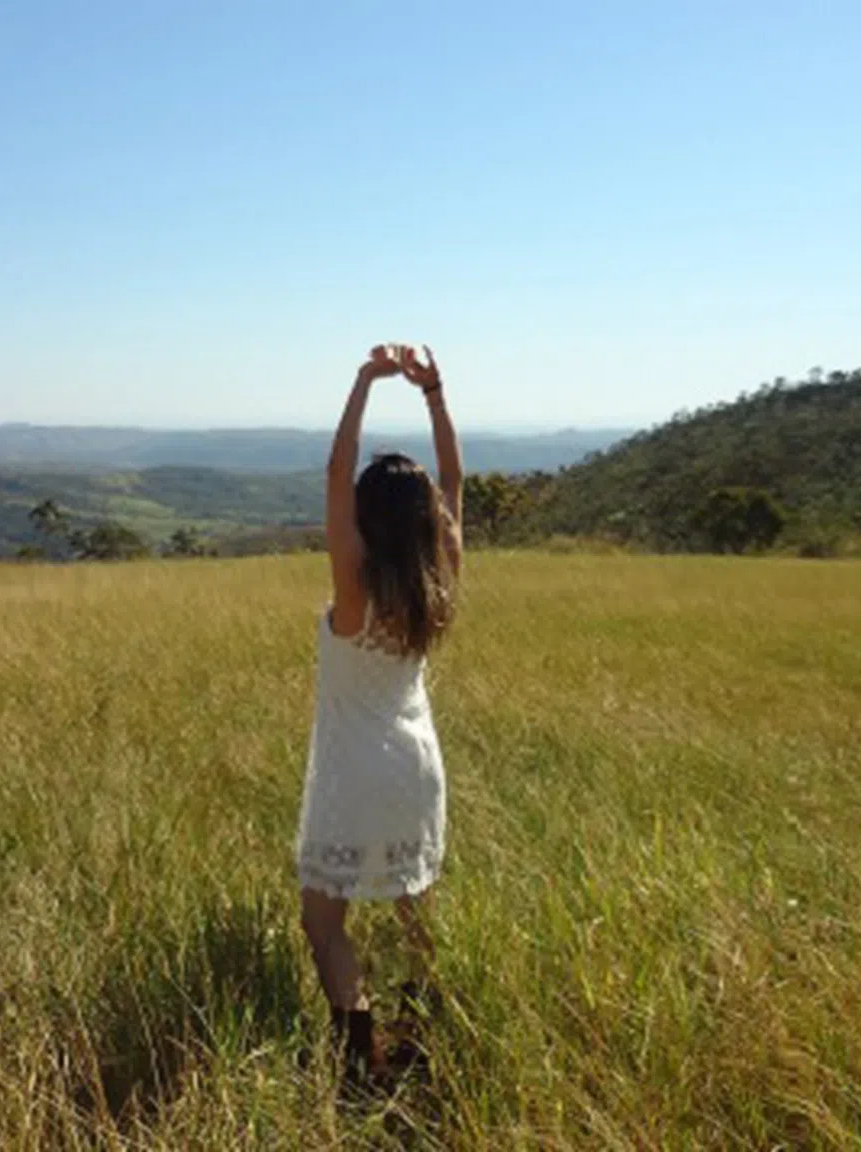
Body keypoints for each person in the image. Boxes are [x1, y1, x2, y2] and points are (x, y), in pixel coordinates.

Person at [295, 343, 463, 1092]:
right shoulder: (437, 578)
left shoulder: (355, 586)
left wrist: (365, 380)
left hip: (351, 772)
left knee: (325, 925)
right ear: (428, 519)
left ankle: (360, 1062)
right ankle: (423, 1038)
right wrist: (434, 396)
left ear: (363, 517)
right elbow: (454, 482)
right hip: (418, 765)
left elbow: (336, 474)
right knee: (414, 915)